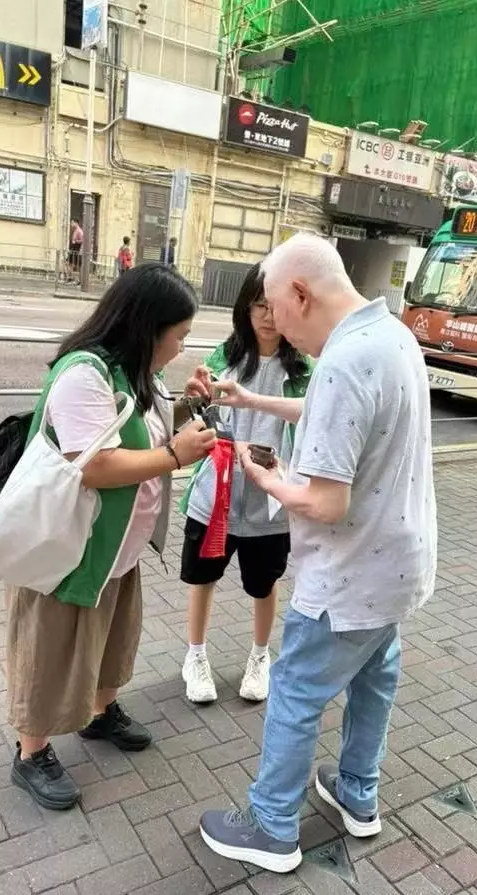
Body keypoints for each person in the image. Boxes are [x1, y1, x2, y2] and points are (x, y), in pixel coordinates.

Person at [198, 234, 437, 872]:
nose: (279, 326)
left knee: (296, 690)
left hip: (346, 572)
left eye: (278, 308)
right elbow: (331, 409)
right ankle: (358, 791)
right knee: (375, 678)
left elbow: (326, 503)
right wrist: (251, 399)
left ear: (301, 293)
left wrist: (267, 477)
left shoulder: (341, 360)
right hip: (399, 564)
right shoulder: (391, 336)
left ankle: (273, 824)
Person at [6, 264, 217, 811]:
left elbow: (139, 427)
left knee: (112, 639)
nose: (181, 348)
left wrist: (186, 406)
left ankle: (100, 714)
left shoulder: (130, 370)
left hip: (116, 548)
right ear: (148, 327)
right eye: (179, 336)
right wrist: (175, 456)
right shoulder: (85, 374)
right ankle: (30, 753)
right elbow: (94, 464)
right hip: (72, 551)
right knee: (50, 651)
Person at [179, 263, 312, 704]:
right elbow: (199, 421)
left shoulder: (304, 368)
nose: (268, 317)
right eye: (258, 306)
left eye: (274, 306)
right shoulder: (224, 358)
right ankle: (195, 655)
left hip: (270, 502)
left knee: (264, 583)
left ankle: (260, 656)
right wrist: (193, 399)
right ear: (245, 309)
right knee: (202, 578)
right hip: (214, 496)